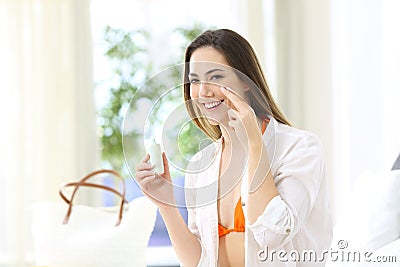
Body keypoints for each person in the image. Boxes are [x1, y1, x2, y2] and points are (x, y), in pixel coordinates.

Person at [135, 29, 332, 267]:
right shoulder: (201, 163)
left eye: (216, 77)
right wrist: (166, 205)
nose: (203, 91)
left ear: (246, 81)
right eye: (195, 80)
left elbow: (273, 235)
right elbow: (198, 262)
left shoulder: (300, 148)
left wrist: (254, 142)